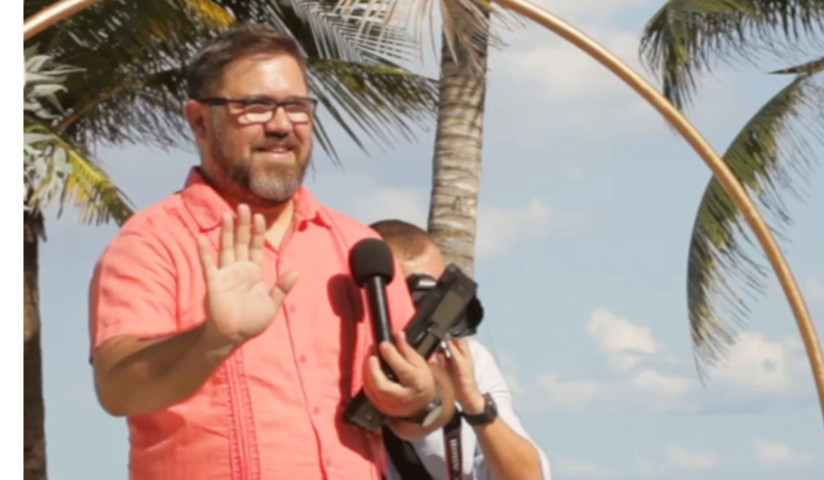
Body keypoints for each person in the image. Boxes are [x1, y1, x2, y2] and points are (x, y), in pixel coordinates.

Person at [88, 24, 454, 480]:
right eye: (255, 106)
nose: (282, 125)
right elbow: (118, 388)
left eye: (297, 107)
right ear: (200, 120)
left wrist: (423, 398)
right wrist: (213, 339)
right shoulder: (151, 243)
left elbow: (437, 400)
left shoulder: (360, 247)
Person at [371, 219, 552, 480]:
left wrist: (474, 403)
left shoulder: (464, 360)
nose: (425, 312)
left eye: (436, 296)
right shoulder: (329, 357)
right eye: (410, 297)